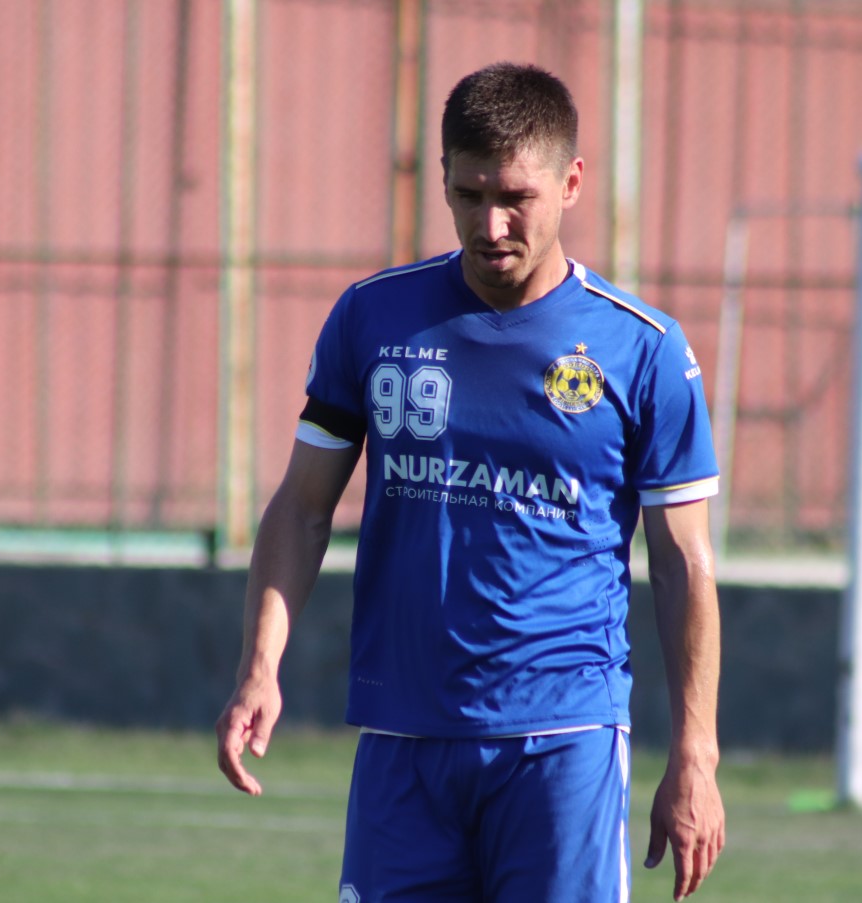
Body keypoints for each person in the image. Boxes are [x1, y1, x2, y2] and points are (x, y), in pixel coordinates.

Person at [216, 62, 724, 902]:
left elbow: (683, 564)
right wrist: (259, 665)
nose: (491, 225)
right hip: (403, 734)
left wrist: (695, 754)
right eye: (469, 194)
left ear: (571, 183)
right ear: (445, 179)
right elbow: (302, 508)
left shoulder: (645, 350)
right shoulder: (374, 317)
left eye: (516, 197)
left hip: (563, 740)